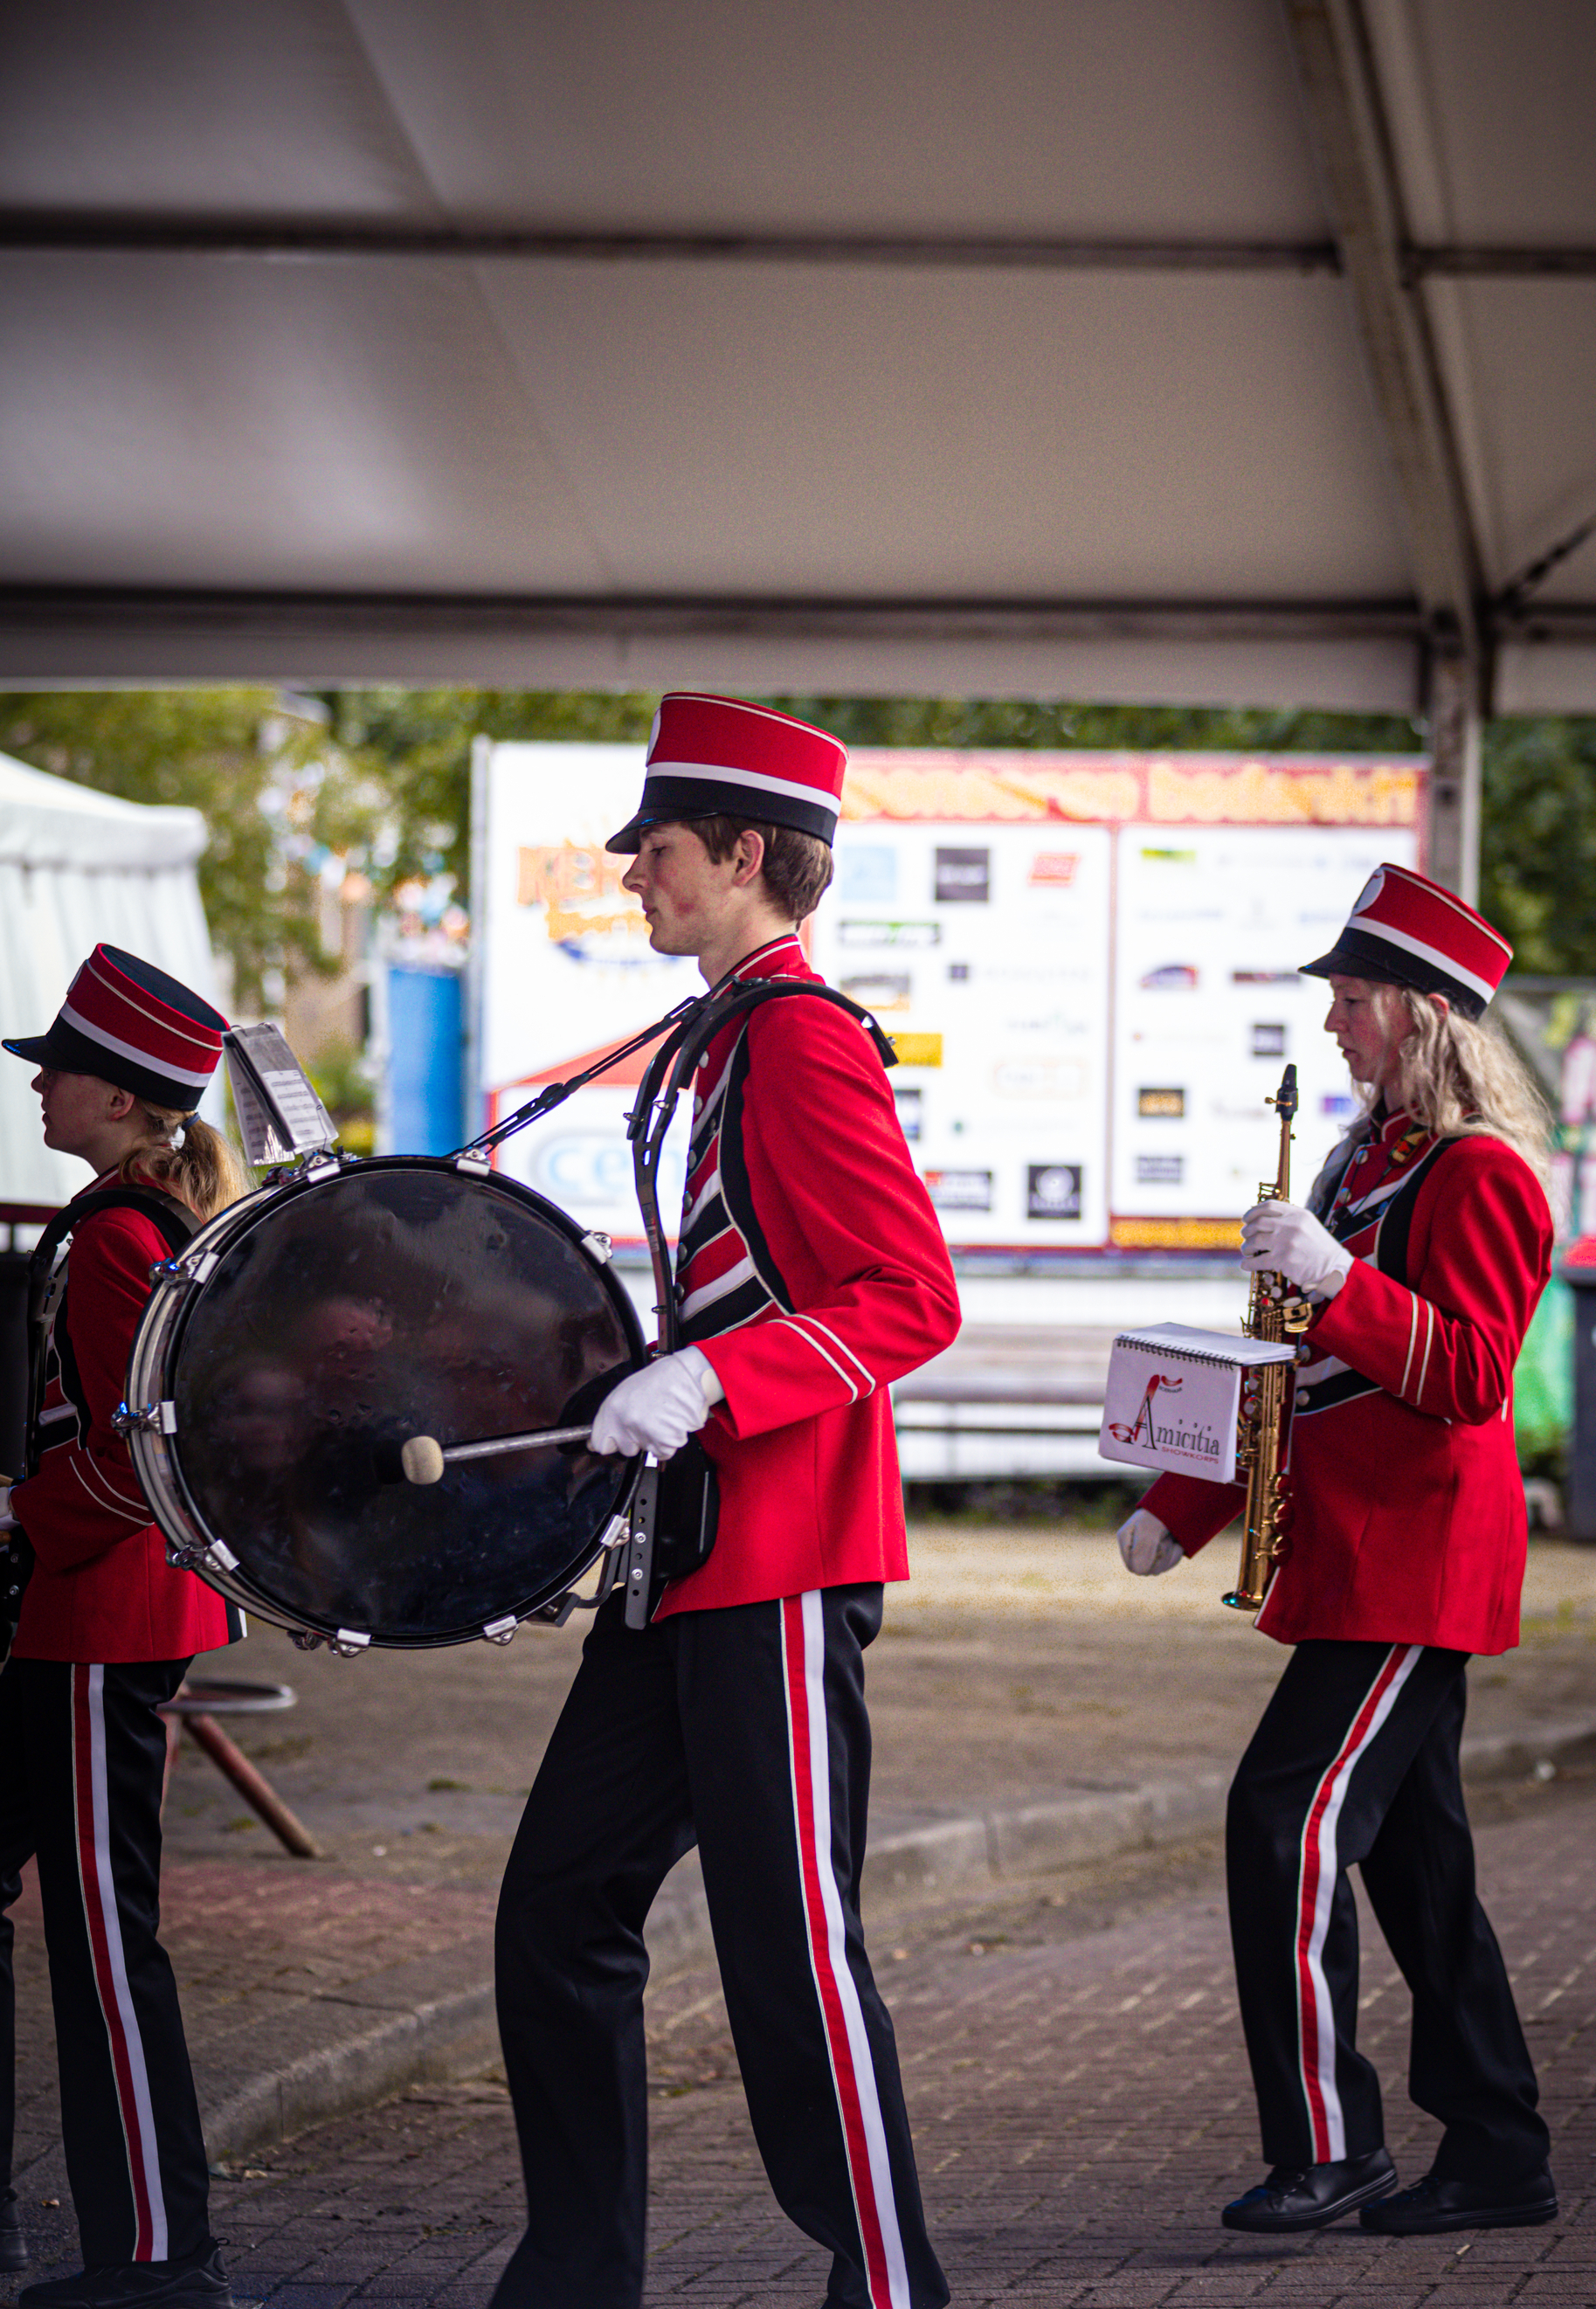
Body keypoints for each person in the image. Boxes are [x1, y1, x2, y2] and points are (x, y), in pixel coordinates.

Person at [491, 695, 960, 2309]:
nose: (634, 878)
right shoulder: (724, 1036)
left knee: (792, 1948)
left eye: (660, 851)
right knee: (559, 1905)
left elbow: (909, 1293)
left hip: (779, 1553)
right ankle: (573, 2280)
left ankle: (891, 2284)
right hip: (692, 1559)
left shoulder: (802, 1041)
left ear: (747, 856)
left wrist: (714, 1380)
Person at [1118, 865, 1558, 2240]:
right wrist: (1181, 1504)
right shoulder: (1357, 1166)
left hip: (1417, 1562)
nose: (1336, 1026)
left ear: (1432, 1016)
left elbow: (1474, 1376)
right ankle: (1498, 2151)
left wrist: (1335, 1277)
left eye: (1356, 1000)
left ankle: (1331, 2144)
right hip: (1354, 1557)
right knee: (1423, 1875)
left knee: (1283, 1819)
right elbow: (1286, 1372)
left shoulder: (1482, 1175)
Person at [0, 948, 249, 2307]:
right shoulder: (132, 1224)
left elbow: (146, 1458)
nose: (43, 1085)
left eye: (63, 1070)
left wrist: (6, 1514)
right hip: (89, 1618)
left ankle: (156, 2254)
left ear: (129, 1100)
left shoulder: (116, 1240)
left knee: (102, 1929)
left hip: (102, 1619)